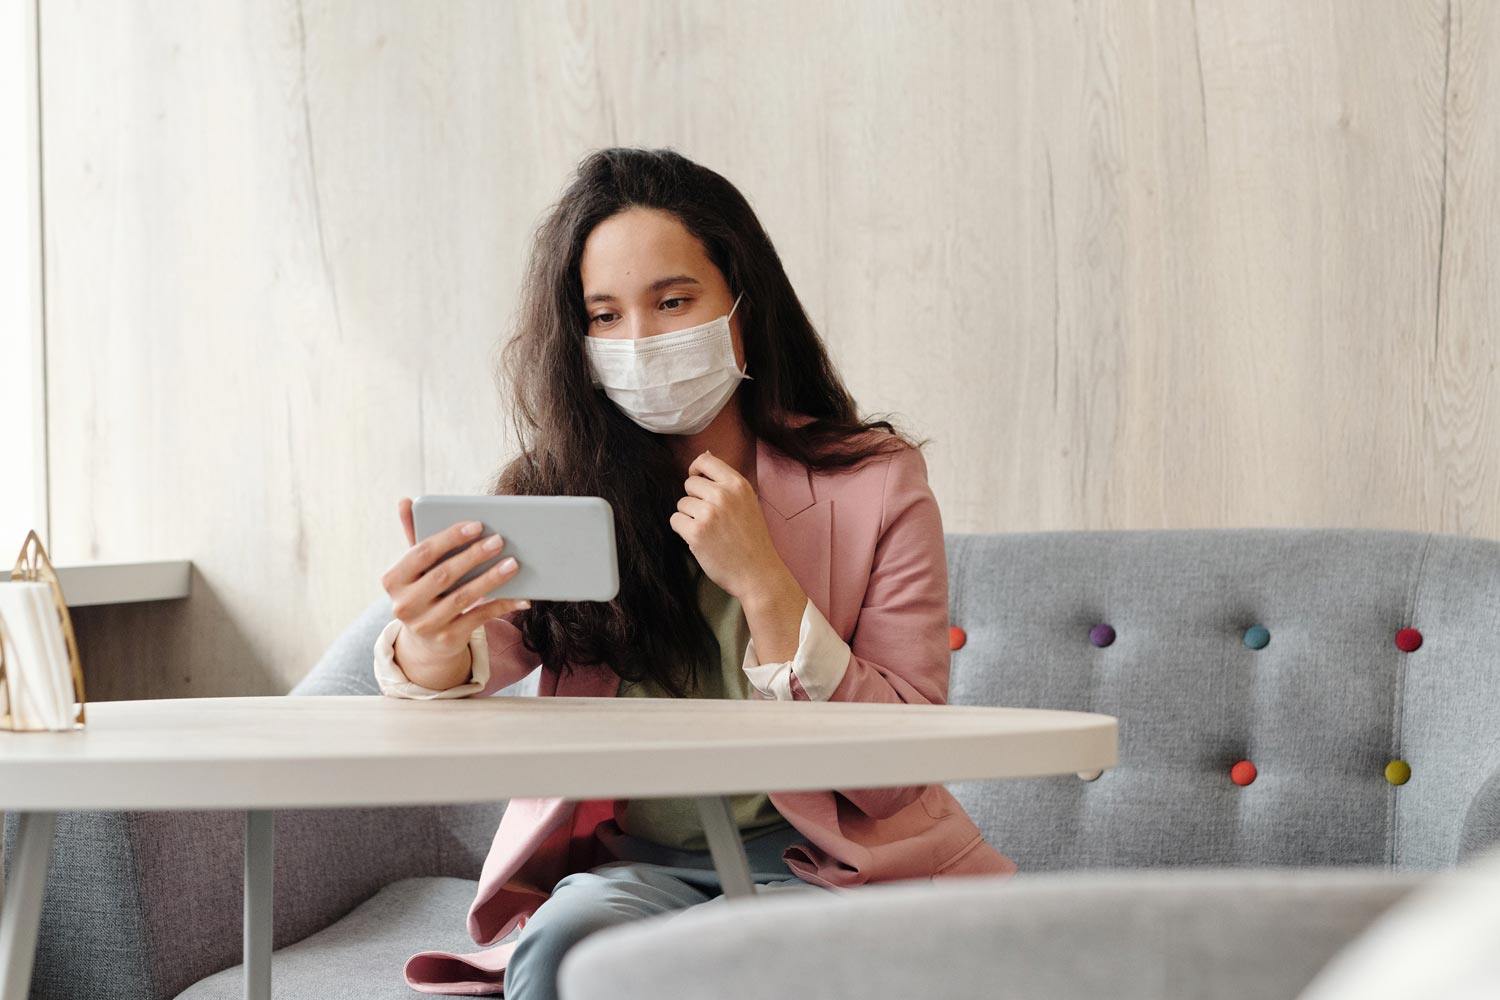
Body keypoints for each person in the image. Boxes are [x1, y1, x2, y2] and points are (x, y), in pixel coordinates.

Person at [373, 147, 1014, 999]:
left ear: (745, 304)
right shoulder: (559, 493)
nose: (639, 341)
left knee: (758, 968)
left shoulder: (876, 482)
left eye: (673, 302)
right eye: (604, 316)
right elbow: (470, 663)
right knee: (564, 947)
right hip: (631, 868)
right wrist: (428, 638)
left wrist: (767, 586)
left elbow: (901, 763)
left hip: (829, 867)